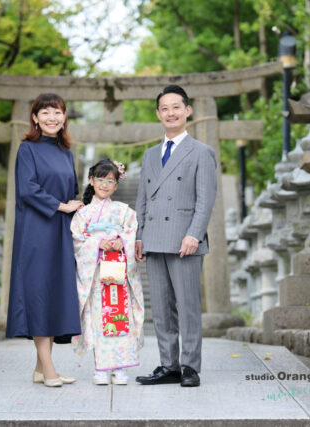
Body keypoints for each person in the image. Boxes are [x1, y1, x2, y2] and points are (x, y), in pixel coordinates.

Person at [134, 85, 217, 388]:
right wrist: (139, 236)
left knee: (188, 305)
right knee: (161, 307)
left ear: (187, 111)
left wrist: (194, 234)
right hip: (154, 239)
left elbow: (206, 198)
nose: (170, 113)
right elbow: (142, 199)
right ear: (158, 114)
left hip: (185, 239)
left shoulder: (202, 152)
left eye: (176, 107)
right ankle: (168, 364)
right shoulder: (149, 155)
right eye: (164, 108)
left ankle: (190, 367)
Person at [5, 93, 84, 387]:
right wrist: (60, 206)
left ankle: (41, 369)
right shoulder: (28, 149)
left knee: (54, 292)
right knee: (38, 292)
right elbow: (27, 189)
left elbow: (73, 190)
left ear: (64, 117)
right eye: (46, 112)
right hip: (36, 231)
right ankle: (49, 368)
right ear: (35, 118)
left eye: (58, 112)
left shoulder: (66, 151)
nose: (53, 117)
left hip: (62, 231)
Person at [70, 159, 144, 386]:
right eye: (100, 180)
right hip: (96, 274)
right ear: (91, 181)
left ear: (116, 185)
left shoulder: (124, 211)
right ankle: (101, 368)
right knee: (99, 320)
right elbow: (77, 240)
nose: (104, 185)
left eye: (109, 181)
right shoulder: (83, 214)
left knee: (122, 317)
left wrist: (122, 241)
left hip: (119, 272)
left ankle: (120, 368)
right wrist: (99, 243)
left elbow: (132, 233)